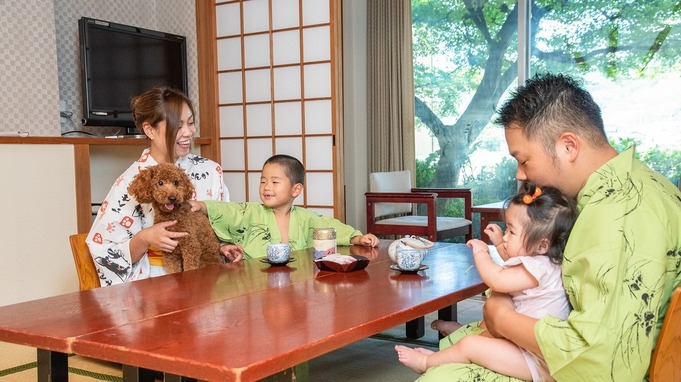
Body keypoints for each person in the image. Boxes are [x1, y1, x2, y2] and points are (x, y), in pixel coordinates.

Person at [417, 73, 681, 382]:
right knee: (463, 346)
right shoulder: (641, 184)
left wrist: (502, 319)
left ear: (568, 146)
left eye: (524, 160)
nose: (520, 174)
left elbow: (600, 358)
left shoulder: (616, 215)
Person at [396, 183, 577, 381]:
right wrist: (500, 243)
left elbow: (499, 279)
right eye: (507, 229)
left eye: (512, 232)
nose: (507, 236)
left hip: (536, 362)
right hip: (526, 348)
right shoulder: (544, 263)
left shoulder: (539, 267)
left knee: (471, 346)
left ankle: (426, 363)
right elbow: (512, 264)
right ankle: (454, 342)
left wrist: (483, 252)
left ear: (542, 245)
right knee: (486, 327)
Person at [86, 86, 243, 287]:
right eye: (178, 126)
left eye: (191, 123)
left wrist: (223, 246)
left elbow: (225, 224)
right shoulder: (131, 182)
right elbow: (103, 250)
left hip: (208, 273)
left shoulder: (211, 171)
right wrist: (145, 238)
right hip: (156, 280)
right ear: (150, 130)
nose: (189, 132)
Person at [191, 154, 379, 258]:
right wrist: (202, 206)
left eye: (275, 182)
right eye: (263, 181)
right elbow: (230, 211)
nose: (266, 187)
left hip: (296, 282)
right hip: (256, 283)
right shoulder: (251, 212)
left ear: (296, 189)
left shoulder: (306, 218)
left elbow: (330, 226)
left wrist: (357, 238)